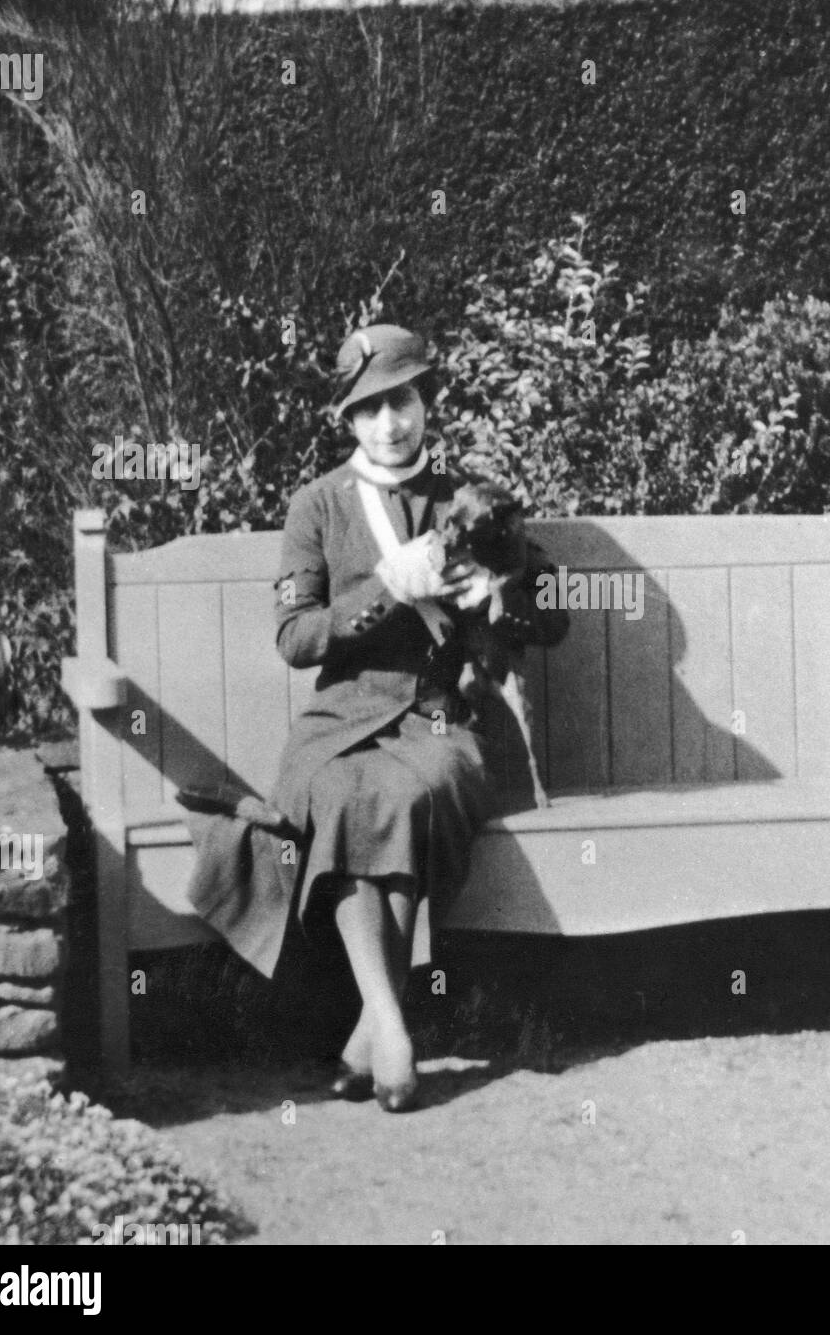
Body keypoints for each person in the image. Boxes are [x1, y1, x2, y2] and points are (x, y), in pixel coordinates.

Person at [271, 323, 568, 1111]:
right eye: (368, 409)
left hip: (443, 720)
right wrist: (383, 588)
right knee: (340, 795)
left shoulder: (469, 500)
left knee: (408, 794)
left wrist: (498, 597)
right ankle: (392, 1029)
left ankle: (375, 1037)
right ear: (348, 420)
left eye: (401, 400)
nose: (388, 423)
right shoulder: (317, 507)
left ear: (425, 400)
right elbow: (295, 638)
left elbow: (555, 614)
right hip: (339, 721)